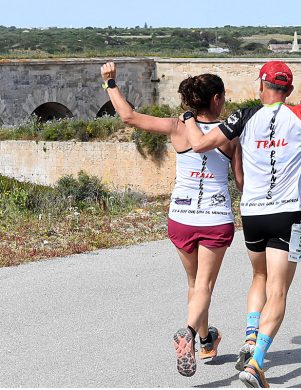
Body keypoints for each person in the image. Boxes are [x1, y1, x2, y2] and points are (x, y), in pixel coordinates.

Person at [183, 61, 301, 387]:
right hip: (287, 214)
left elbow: (198, 144)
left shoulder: (243, 116)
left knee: (259, 277)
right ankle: (255, 363)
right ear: (290, 90)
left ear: (260, 85)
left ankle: (251, 337)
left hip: (252, 213)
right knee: (278, 290)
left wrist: (186, 120)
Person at [100, 62, 243, 377]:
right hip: (215, 217)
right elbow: (241, 181)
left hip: (180, 217)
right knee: (204, 284)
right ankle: (189, 335)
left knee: (194, 284)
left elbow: (129, 117)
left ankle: (206, 340)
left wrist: (110, 83)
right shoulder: (230, 135)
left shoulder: (178, 127)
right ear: (217, 100)